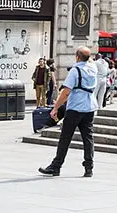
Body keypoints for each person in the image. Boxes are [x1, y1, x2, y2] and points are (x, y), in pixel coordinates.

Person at [38, 46, 98, 177]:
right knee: (88, 138)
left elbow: (65, 92)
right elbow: (90, 60)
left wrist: (55, 108)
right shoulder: (93, 68)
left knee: (65, 137)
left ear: (77, 56)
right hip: (90, 107)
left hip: (75, 108)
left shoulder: (75, 71)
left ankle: (56, 166)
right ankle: (89, 167)